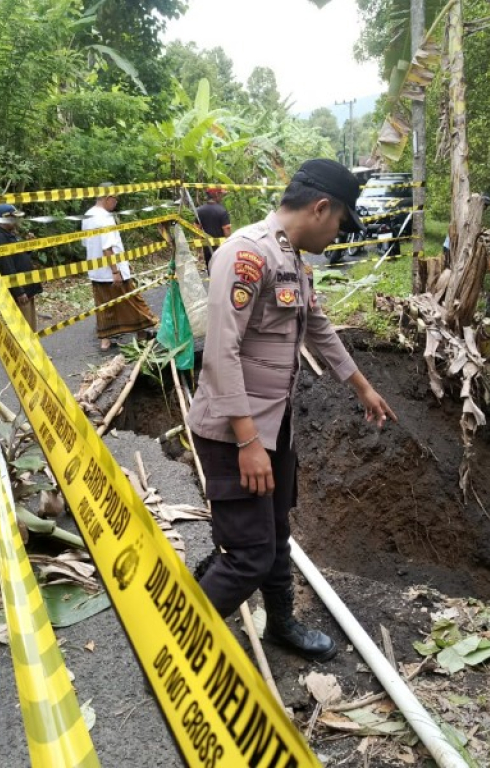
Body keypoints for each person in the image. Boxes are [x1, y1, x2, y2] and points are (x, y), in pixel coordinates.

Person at [188, 159, 397, 661]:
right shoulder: (246, 254)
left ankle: (281, 624)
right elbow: (220, 354)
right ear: (320, 208)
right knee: (250, 556)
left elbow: (318, 326)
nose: (339, 234)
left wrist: (362, 387)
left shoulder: (291, 259)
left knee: (276, 533)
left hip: (274, 427)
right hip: (233, 433)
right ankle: (175, 642)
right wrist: (247, 442)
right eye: (340, 222)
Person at [82, 184, 159, 352]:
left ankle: (106, 340)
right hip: (111, 271)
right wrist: (116, 271)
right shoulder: (105, 218)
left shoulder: (87, 215)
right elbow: (107, 248)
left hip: (96, 271)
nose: (116, 202)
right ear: (107, 198)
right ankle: (143, 330)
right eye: (115, 199)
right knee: (133, 301)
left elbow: (86, 244)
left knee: (105, 307)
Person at [0, 203, 43, 331]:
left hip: (26, 288)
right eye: (13, 217)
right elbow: (7, 266)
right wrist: (19, 291)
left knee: (30, 327)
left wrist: (29, 246)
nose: (16, 220)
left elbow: (18, 258)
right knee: (23, 329)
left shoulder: (9, 234)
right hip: (20, 292)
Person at [196, 187, 232, 271]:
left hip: (207, 248)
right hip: (221, 249)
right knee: (222, 271)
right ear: (216, 194)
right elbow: (227, 231)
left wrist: (199, 251)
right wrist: (230, 248)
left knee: (211, 271)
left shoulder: (199, 211)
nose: (222, 197)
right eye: (221, 194)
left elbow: (197, 232)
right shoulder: (222, 211)